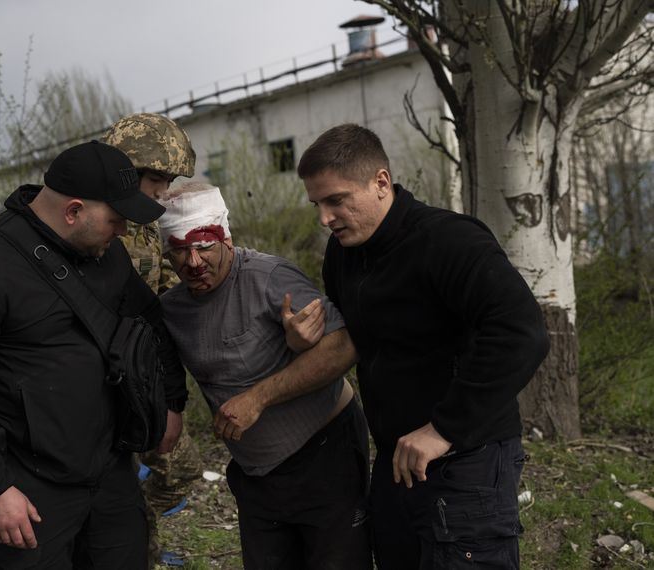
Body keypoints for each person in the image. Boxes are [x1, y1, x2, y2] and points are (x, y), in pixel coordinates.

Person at [0, 141, 188, 570]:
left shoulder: (107, 254)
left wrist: (172, 402)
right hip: (29, 490)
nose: (122, 232)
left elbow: (150, 323)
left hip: (111, 472)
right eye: (116, 220)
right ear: (73, 211)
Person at [296, 123, 550, 569]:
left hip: (468, 456)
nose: (325, 218)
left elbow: (521, 332)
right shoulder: (344, 253)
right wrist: (304, 338)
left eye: (337, 200)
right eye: (317, 204)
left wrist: (442, 429)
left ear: (380, 182)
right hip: (397, 461)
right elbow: (359, 338)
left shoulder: (449, 241)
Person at [157, 182, 372, 570]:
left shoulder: (268, 277)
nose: (193, 262)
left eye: (204, 244)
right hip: (256, 476)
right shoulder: (171, 309)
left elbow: (342, 347)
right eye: (178, 249)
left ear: (225, 235)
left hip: (324, 455)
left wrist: (258, 398)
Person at [103, 113, 204, 567]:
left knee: (179, 467)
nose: (164, 190)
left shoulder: (145, 223)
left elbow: (162, 301)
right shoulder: (87, 222)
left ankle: (136, 529)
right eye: (157, 178)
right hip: (97, 386)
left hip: (144, 376)